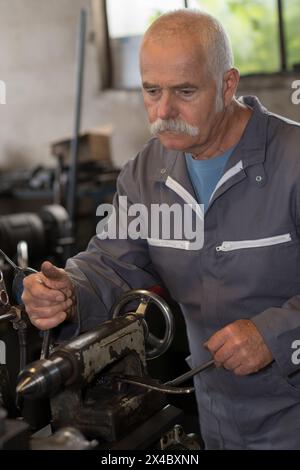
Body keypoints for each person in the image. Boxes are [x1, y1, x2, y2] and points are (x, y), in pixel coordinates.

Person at [22, 9, 300, 449]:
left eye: (185, 91)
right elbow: (111, 265)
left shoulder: (293, 161)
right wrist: (70, 290)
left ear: (228, 85)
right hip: (216, 411)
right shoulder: (146, 174)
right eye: (152, 90)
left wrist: (278, 335)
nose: (164, 110)